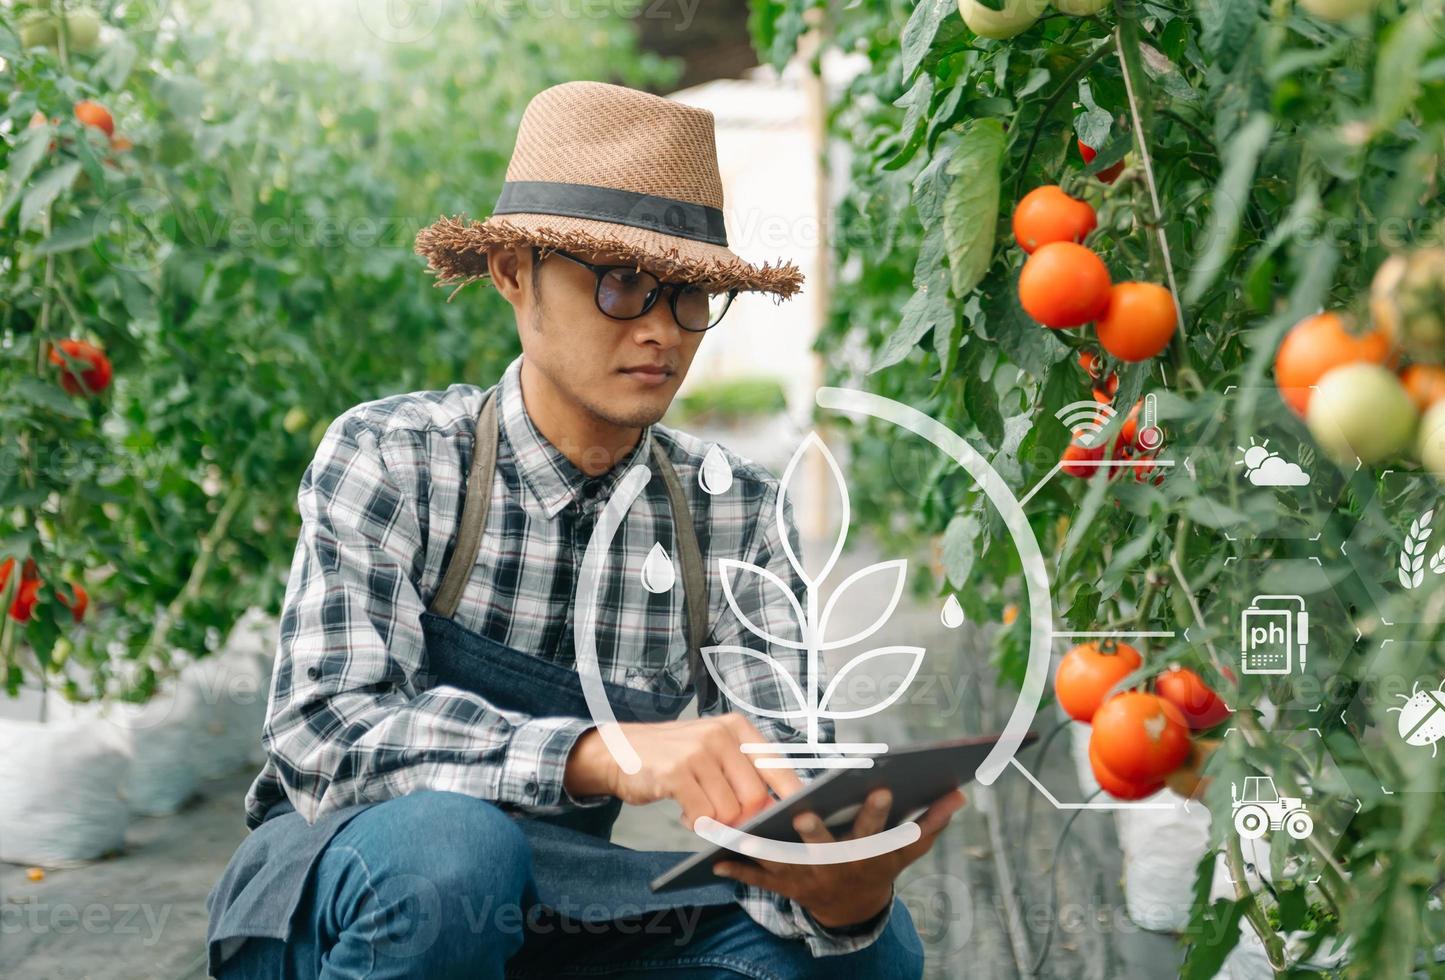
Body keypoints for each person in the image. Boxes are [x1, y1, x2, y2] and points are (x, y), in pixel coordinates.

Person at [204, 80, 964, 980]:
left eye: (687, 296)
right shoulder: (394, 456)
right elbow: (323, 732)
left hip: (559, 902)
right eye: (621, 284)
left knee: (873, 952)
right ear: (512, 273)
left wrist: (835, 881)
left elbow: (788, 767)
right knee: (456, 857)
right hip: (344, 885)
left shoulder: (731, 512)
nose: (661, 332)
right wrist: (600, 753)